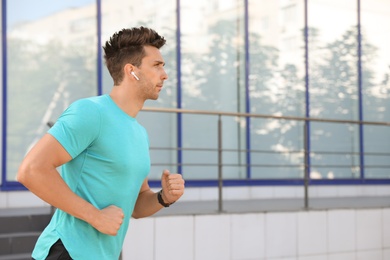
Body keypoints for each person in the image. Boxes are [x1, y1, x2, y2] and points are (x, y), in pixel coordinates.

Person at [17, 26, 185, 260]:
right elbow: (31, 170)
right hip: (68, 252)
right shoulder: (90, 112)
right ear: (132, 71)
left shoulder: (139, 133)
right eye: (157, 65)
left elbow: (135, 205)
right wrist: (95, 216)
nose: (165, 74)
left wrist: (162, 198)